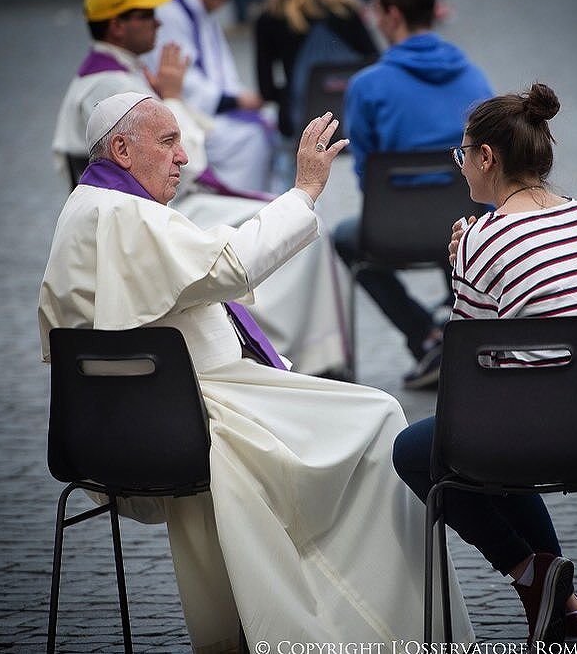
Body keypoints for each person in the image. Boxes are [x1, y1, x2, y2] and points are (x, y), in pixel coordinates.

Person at [39, 93, 474, 652]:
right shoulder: (125, 215)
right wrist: (305, 192)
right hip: (193, 417)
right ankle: (388, 628)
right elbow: (231, 264)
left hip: (111, 428)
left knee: (358, 415)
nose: (184, 158)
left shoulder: (86, 209)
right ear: (121, 149)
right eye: (168, 142)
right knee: (382, 417)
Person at [393, 83, 577, 646]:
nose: (460, 168)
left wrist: (462, 262)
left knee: (418, 450)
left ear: (487, 157)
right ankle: (566, 609)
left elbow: (466, 369)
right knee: (500, 434)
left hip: (545, 432)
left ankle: (530, 577)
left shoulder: (486, 237)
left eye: (463, 155)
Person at [52, 0, 351, 377]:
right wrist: (302, 192)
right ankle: (309, 358)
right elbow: (189, 165)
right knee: (304, 237)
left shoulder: (111, 79)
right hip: (163, 213)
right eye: (146, 16)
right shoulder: (111, 88)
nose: (159, 23)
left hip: (146, 217)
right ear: (117, 24)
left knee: (293, 226)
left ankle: (302, 357)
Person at [335, 0, 493, 389]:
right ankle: (454, 330)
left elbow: (366, 171)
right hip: (469, 229)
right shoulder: (475, 78)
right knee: (459, 213)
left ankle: (425, 336)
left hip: (393, 229)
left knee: (344, 238)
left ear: (391, 13)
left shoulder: (367, 85)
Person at [146, 0, 273, 193]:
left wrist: (239, 98)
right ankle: (241, 206)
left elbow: (222, 71)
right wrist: (235, 101)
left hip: (209, 110)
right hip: (187, 114)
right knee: (253, 137)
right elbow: (182, 80)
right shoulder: (168, 10)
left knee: (272, 124)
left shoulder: (202, 7)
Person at [255, 0, 378, 141]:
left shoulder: (270, 18)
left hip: (301, 123)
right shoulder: (347, 11)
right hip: (353, 116)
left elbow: (266, 90)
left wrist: (291, 92)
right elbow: (375, 63)